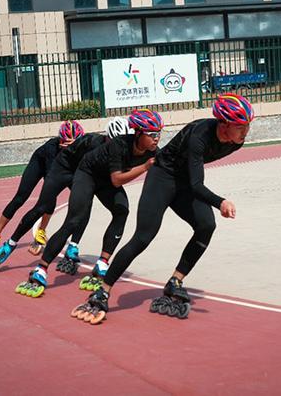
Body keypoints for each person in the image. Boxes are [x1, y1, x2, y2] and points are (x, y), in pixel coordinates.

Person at [71, 93, 253, 325]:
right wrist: (220, 202)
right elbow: (198, 185)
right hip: (162, 177)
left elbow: (192, 181)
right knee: (143, 237)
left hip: (184, 181)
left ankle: (175, 281)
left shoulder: (236, 142)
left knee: (206, 225)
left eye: (247, 126)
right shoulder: (199, 136)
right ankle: (103, 291)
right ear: (225, 124)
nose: (246, 132)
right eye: (241, 127)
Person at [14, 109, 163, 298]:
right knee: (74, 220)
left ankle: (102, 263)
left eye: (159, 133)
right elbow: (117, 180)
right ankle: (41, 269)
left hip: (105, 180)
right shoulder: (120, 145)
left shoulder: (152, 151)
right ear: (139, 133)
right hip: (88, 174)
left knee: (121, 210)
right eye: (152, 134)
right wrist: (145, 167)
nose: (157, 138)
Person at [0, 116, 132, 274]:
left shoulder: (123, 147)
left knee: (85, 206)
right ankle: (11, 243)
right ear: (107, 138)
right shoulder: (90, 143)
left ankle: (73, 247)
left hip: (82, 172)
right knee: (42, 206)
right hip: (62, 168)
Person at [0, 120, 84, 257]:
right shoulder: (52, 149)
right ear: (61, 141)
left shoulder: (82, 147)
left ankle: (42, 230)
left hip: (58, 168)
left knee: (53, 198)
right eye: (68, 144)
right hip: (41, 163)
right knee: (20, 198)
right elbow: (51, 179)